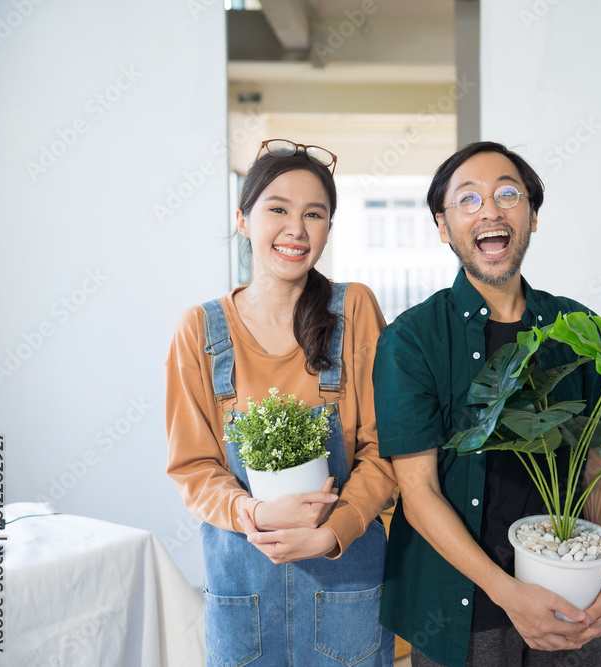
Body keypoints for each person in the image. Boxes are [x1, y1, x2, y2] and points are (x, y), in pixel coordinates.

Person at [373, 141, 601, 666]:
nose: (490, 210)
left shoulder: (578, 328)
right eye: (467, 200)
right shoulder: (412, 340)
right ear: (442, 225)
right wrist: (509, 593)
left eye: (507, 194)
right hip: (459, 610)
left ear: (532, 216)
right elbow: (419, 491)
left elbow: (599, 467)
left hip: (573, 598)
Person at [166, 139, 397, 666]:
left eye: (314, 214)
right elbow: (193, 467)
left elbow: (385, 449)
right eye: (277, 209)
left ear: (328, 230)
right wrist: (252, 510)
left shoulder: (353, 310)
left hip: (345, 584)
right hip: (244, 588)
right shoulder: (200, 330)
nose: (296, 228)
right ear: (244, 219)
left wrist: (331, 533)